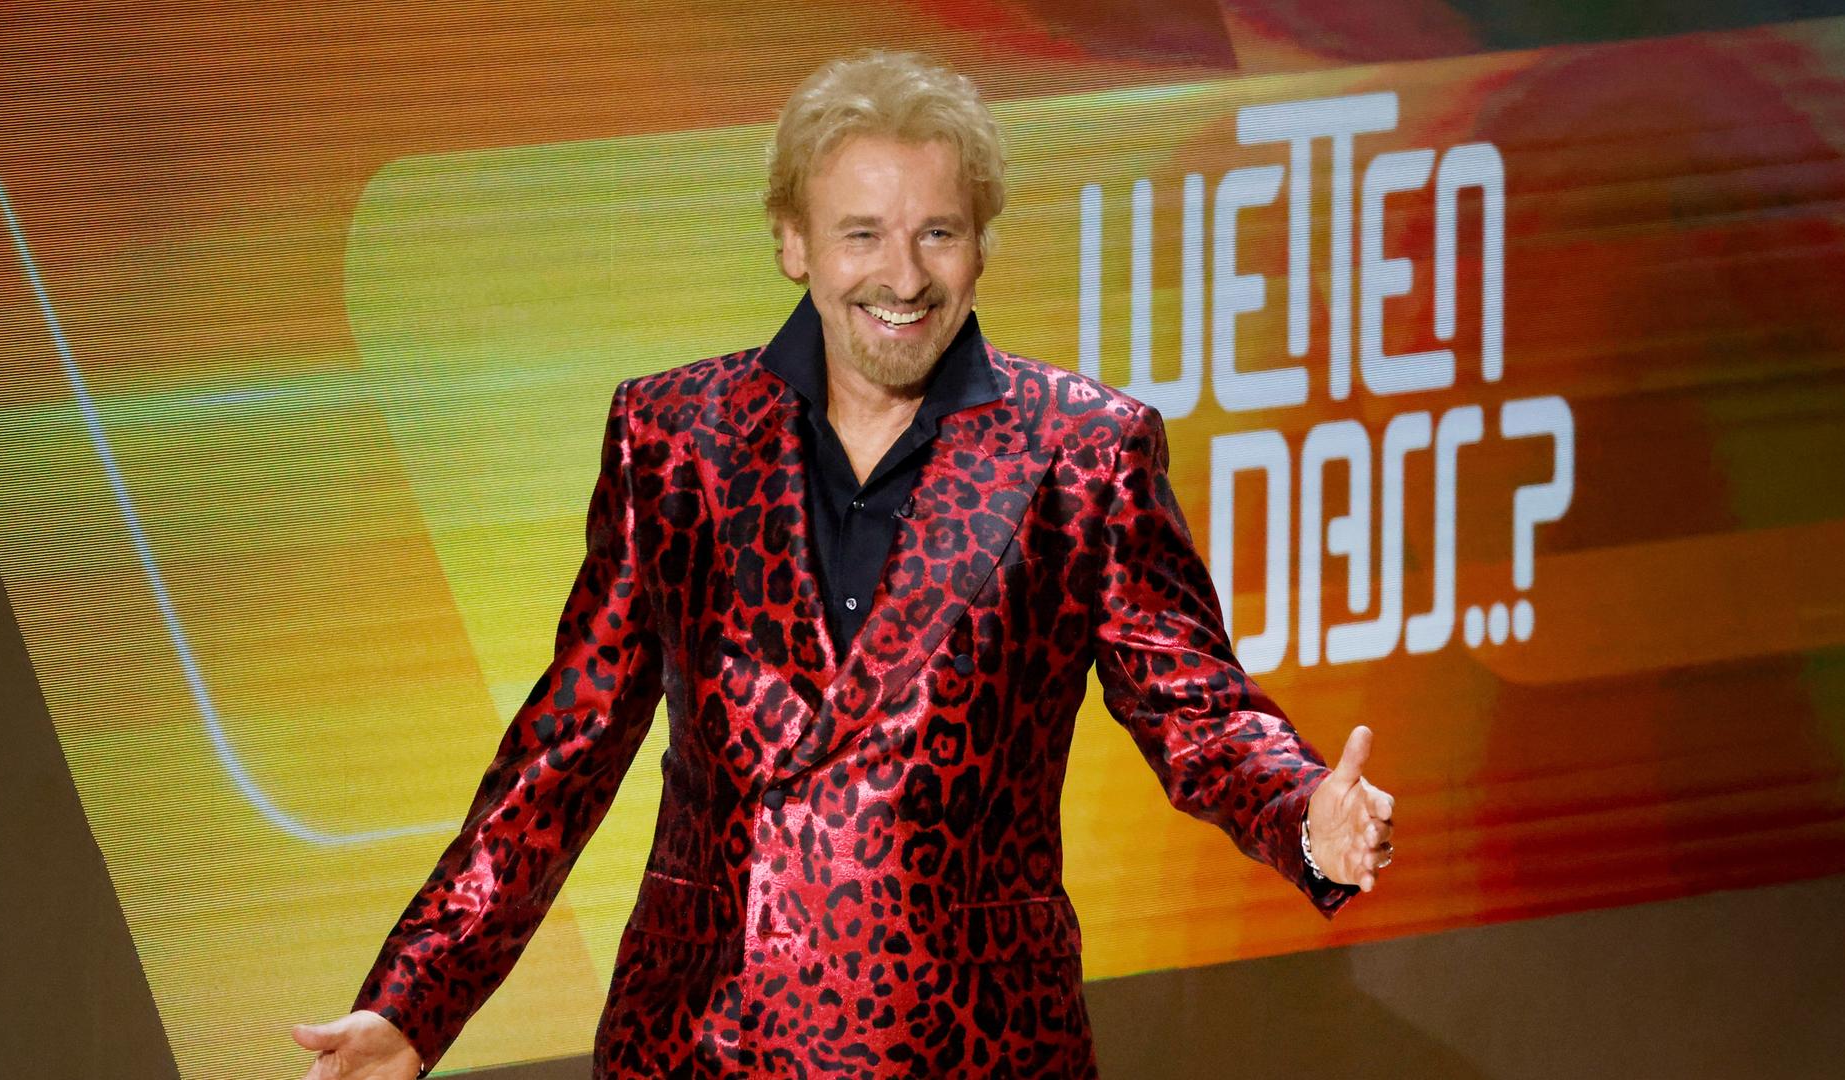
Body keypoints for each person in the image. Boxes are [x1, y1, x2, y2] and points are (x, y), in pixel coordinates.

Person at [293, 48, 1395, 1080]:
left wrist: (1304, 813)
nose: (902, 276)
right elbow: (564, 750)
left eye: (937, 233)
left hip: (973, 1041)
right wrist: (416, 1001)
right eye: (861, 234)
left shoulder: (1082, 451)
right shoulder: (674, 439)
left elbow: (1195, 710)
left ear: (982, 243)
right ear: (795, 243)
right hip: (700, 1039)